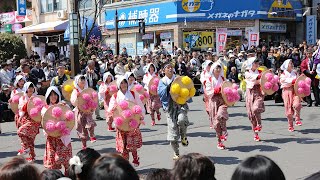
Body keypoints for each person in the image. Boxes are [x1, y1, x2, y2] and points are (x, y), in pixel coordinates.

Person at [107, 76, 144, 166]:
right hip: (121, 123)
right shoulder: (115, 96)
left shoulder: (133, 94)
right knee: (123, 145)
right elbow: (110, 109)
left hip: (132, 121)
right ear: (119, 85)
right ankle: (125, 164)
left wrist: (141, 115)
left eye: (125, 82)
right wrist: (114, 109)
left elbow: (140, 106)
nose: (124, 85)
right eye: (122, 83)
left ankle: (135, 157)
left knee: (132, 142)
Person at [157, 63, 189, 160]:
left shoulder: (178, 79)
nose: (170, 69)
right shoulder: (162, 81)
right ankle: (176, 152)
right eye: (168, 67)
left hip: (180, 105)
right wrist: (169, 87)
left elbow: (187, 89)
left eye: (171, 67)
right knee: (172, 130)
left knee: (182, 120)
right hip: (170, 108)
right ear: (164, 70)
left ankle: (183, 136)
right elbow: (160, 93)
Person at [41, 86, 72, 174]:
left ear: (58, 95)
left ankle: (68, 176)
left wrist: (65, 108)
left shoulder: (64, 105)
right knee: (52, 163)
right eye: (51, 95)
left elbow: (70, 119)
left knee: (65, 160)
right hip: (51, 138)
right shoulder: (45, 109)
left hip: (63, 137)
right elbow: (44, 123)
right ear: (48, 97)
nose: (53, 97)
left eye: (55, 94)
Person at [205, 62, 229, 149]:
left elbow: (227, 87)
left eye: (219, 68)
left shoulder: (222, 78)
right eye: (216, 68)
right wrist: (216, 90)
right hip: (214, 101)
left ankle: (224, 131)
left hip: (222, 100)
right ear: (213, 70)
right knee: (216, 123)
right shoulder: (209, 80)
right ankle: (220, 141)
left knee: (221, 115)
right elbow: (208, 92)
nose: (218, 70)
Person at [70, 75, 97, 149]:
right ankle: (84, 144)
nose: (83, 81)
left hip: (87, 110)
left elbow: (93, 99)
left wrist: (93, 106)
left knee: (90, 122)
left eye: (84, 80)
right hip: (79, 111)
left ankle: (92, 136)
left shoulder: (88, 90)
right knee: (81, 127)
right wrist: (77, 97)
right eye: (80, 80)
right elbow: (73, 101)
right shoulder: (75, 91)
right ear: (77, 82)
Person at [17, 82, 40, 162]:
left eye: (32, 87)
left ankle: (25, 148)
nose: (30, 89)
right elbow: (21, 109)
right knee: (30, 139)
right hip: (25, 119)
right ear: (26, 89)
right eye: (29, 87)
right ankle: (32, 157)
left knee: (20, 131)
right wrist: (28, 103)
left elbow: (41, 108)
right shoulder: (22, 98)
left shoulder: (37, 98)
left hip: (34, 121)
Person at [245, 57, 265, 142]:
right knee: (252, 115)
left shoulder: (260, 72)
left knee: (256, 108)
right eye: (255, 62)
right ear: (251, 64)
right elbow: (252, 78)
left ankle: (259, 124)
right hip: (250, 94)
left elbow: (263, 81)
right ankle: (255, 134)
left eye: (257, 62)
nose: (257, 64)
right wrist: (260, 78)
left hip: (258, 93)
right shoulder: (247, 72)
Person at [201, 60, 213, 128]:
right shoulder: (204, 73)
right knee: (208, 108)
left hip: (214, 92)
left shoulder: (214, 71)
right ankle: (211, 120)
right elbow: (203, 81)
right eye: (209, 65)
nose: (210, 66)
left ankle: (216, 121)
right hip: (207, 93)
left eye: (211, 65)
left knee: (214, 107)